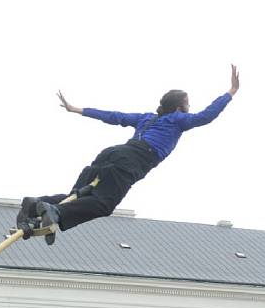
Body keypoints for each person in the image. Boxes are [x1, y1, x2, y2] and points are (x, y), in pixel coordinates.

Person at [17, 65, 240, 245]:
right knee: (103, 205)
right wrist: (229, 93)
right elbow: (206, 116)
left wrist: (78, 110)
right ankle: (54, 211)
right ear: (180, 107)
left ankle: (35, 204)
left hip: (110, 154)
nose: (190, 106)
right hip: (132, 161)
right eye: (188, 103)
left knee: (78, 196)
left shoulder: (145, 118)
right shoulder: (177, 120)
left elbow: (114, 116)